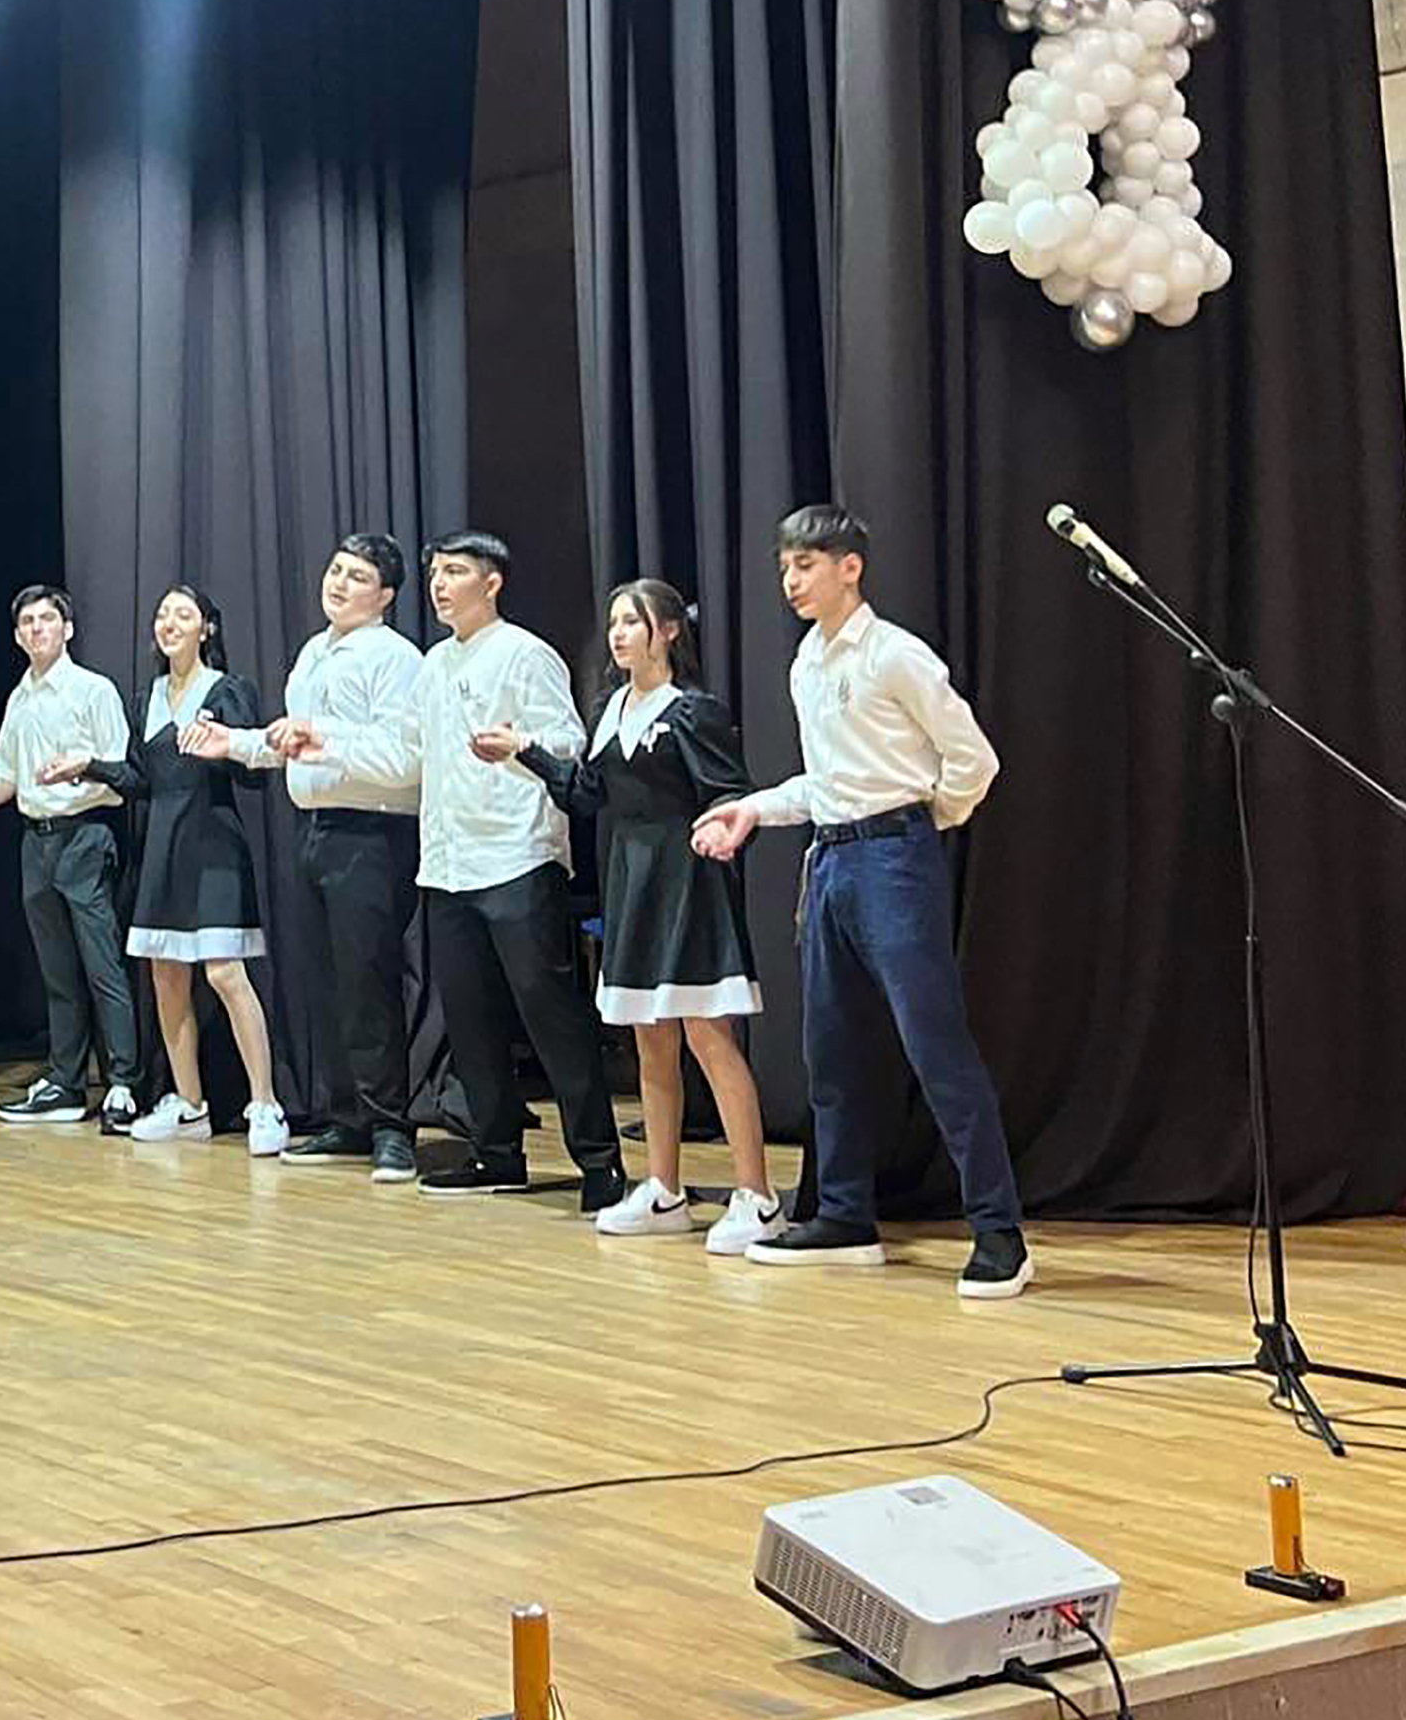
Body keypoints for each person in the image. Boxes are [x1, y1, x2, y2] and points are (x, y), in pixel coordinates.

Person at [694, 503, 1029, 1299]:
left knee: (934, 1046)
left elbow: (972, 759)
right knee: (831, 1051)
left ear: (851, 567)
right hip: (831, 864)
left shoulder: (895, 655)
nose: (791, 581)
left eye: (806, 564)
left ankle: (999, 1232)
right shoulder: (807, 663)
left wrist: (919, 820)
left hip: (892, 862)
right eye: (784, 567)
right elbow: (828, 782)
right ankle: (845, 1215)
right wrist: (754, 810)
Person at [284, 530, 612, 1206]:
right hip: (446, 863)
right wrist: (324, 740)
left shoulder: (524, 653)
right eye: (435, 572)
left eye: (455, 571)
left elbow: (569, 743)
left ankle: (600, 1163)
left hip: (517, 856)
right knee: (469, 1019)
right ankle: (496, 1153)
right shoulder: (434, 663)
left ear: (491, 583)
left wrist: (521, 744)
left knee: (550, 1015)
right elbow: (408, 754)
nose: (440, 584)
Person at [519, 580, 784, 1251]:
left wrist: (719, 831)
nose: (618, 634)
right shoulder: (610, 711)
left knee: (707, 1035)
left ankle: (757, 1196)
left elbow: (729, 792)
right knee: (650, 1039)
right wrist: (525, 751)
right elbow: (586, 794)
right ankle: (664, 1190)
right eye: (613, 622)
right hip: (631, 886)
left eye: (632, 622)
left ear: (667, 631)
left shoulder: (692, 711)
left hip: (687, 884)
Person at [182, 533, 424, 1181]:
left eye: (357, 577)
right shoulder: (315, 652)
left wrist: (324, 737)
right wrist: (235, 743)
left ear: (386, 596)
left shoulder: (396, 658)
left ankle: (391, 1127)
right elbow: (289, 742)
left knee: (369, 983)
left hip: (372, 832)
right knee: (324, 980)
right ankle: (347, 1116)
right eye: (336, 570)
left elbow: (406, 758)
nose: (338, 584)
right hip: (313, 829)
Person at [69, 585, 288, 1154]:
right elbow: (141, 780)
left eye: (182, 614)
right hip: (161, 847)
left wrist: (225, 746)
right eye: (162, 614)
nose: (169, 623)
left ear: (206, 628)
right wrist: (89, 765)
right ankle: (190, 1105)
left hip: (213, 844)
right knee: (166, 978)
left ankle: (265, 1103)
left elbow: (255, 774)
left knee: (225, 974)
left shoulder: (228, 690)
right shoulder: (145, 697)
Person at [0, 585, 140, 1129]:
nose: (37, 629)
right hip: (36, 839)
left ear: (68, 629)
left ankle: (123, 1082)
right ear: (17, 636)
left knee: (102, 965)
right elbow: (7, 778)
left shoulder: (93, 690)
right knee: (57, 971)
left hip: (85, 834)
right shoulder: (20, 697)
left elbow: (122, 774)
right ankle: (66, 1082)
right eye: (27, 622)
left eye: (47, 619)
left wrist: (81, 767)